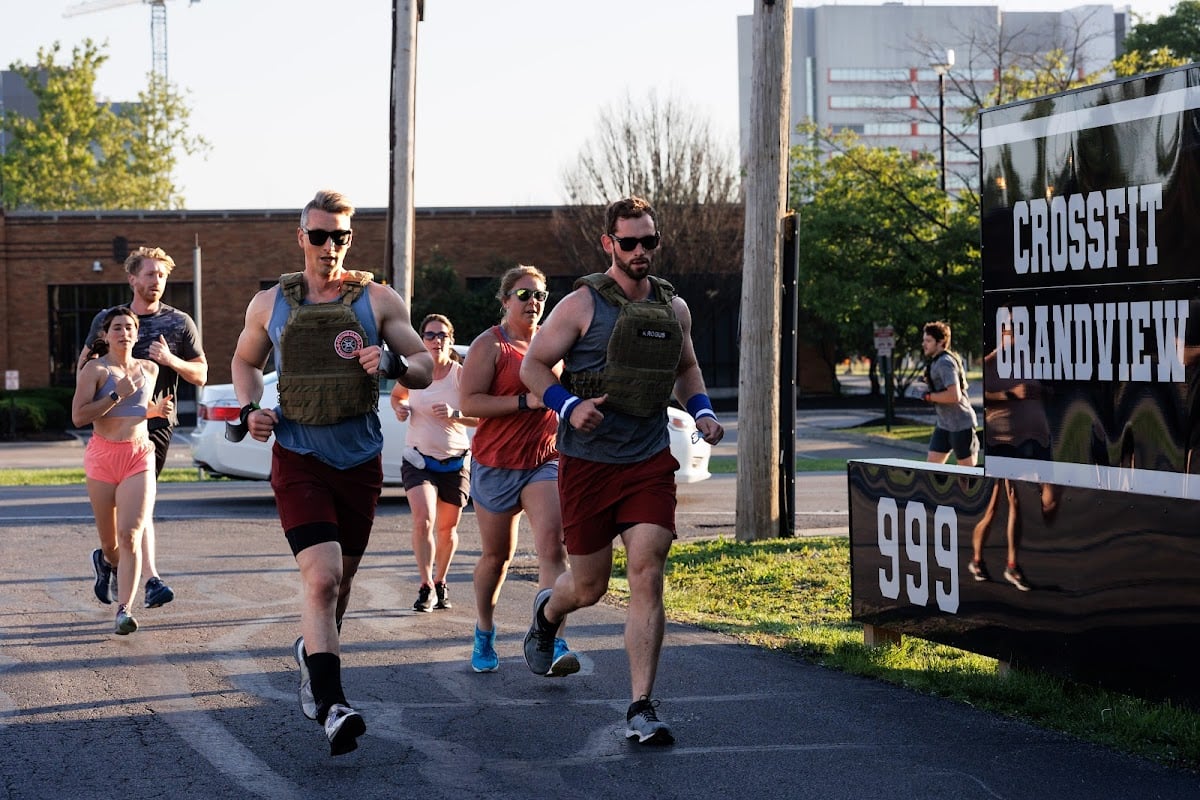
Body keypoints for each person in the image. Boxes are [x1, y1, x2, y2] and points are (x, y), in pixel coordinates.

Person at [229, 189, 432, 756]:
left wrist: (392, 363)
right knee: (320, 580)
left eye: (340, 236)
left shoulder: (378, 300)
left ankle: (311, 656)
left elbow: (423, 363)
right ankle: (334, 704)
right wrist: (251, 410)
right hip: (299, 456)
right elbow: (245, 361)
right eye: (319, 235)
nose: (329, 247)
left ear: (350, 240)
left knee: (337, 588)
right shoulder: (271, 303)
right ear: (301, 238)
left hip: (358, 460)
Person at [519, 197, 724, 746]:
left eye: (648, 242)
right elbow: (532, 366)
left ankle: (640, 707)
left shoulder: (672, 309)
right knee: (588, 586)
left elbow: (686, 367)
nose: (639, 252)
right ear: (608, 243)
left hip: (647, 459)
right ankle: (548, 611)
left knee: (647, 570)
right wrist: (566, 405)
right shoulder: (581, 304)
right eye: (628, 242)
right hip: (588, 464)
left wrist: (701, 411)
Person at [459, 265, 578, 676]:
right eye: (524, 295)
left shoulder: (554, 345)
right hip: (494, 465)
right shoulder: (489, 345)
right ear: (506, 300)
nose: (534, 302)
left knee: (553, 546)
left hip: (543, 460)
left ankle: (551, 637)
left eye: (541, 295)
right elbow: (469, 403)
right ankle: (484, 630)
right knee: (497, 557)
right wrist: (525, 403)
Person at [78, 245, 208, 609]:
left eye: (162, 275)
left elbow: (202, 374)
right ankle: (115, 562)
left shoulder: (179, 322)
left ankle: (147, 578)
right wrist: (95, 409)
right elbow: (84, 367)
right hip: (113, 425)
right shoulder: (110, 319)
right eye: (149, 274)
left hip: (157, 423)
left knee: (140, 510)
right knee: (122, 523)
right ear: (132, 278)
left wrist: (171, 360)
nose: (157, 281)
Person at [71, 307, 170, 634]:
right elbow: (79, 417)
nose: (124, 333)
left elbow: (138, 411)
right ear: (104, 334)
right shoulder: (94, 370)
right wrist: (116, 394)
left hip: (139, 455)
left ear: (137, 333)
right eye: (117, 328)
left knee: (131, 535)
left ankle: (123, 610)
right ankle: (105, 561)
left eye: (129, 327)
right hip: (102, 457)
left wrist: (154, 411)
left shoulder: (150, 369)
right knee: (112, 545)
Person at [390, 314, 476, 613]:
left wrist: (455, 413)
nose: (436, 341)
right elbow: (399, 395)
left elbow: (482, 416)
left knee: (447, 528)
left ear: (450, 340)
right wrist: (400, 408)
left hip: (455, 460)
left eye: (442, 335)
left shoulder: (461, 375)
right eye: (429, 335)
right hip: (418, 458)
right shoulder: (414, 373)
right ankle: (426, 585)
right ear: (421, 339)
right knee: (423, 520)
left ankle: (441, 581)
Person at [920, 321, 978, 467]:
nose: (924, 344)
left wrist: (928, 396)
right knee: (931, 470)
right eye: (924, 340)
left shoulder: (945, 362)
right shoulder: (935, 362)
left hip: (961, 424)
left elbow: (954, 396)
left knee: (968, 476)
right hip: (944, 424)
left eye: (928, 341)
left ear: (941, 343)